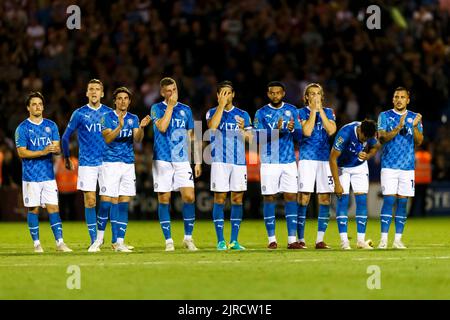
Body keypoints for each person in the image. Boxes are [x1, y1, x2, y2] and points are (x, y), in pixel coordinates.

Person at [89, 87, 151, 252]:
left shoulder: (134, 118)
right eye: (120, 98)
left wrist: (142, 127)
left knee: (124, 203)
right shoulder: (106, 117)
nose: (123, 101)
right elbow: (108, 139)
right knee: (106, 203)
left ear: (129, 101)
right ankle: (99, 240)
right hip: (110, 164)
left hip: (128, 164)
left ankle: (119, 242)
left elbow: (137, 139)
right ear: (115, 101)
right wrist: (119, 126)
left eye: (126, 98)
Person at [15, 92, 72, 253]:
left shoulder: (51, 126)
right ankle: (37, 244)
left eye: (40, 103)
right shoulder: (22, 128)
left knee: (54, 208)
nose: (37, 106)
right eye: (34, 104)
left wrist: (56, 150)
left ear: (43, 106)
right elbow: (22, 153)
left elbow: (56, 148)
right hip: (31, 177)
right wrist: (43, 151)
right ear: (28, 107)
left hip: (48, 176)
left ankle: (60, 243)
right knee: (33, 209)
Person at [150, 77, 202, 251]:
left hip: (182, 160)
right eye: (168, 90)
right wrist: (170, 107)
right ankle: (169, 241)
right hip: (162, 159)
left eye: (174, 89)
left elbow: (191, 136)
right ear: (162, 92)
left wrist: (197, 160)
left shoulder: (186, 110)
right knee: (164, 199)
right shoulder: (156, 109)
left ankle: (188, 238)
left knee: (189, 197)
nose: (172, 93)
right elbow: (163, 127)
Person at [61, 79, 112, 248]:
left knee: (106, 202)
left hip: (107, 162)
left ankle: (102, 235)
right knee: (90, 201)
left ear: (102, 93)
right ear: (87, 93)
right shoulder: (79, 114)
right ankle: (94, 240)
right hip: (87, 163)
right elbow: (65, 137)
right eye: (91, 89)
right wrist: (67, 158)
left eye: (97, 89)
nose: (94, 92)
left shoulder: (110, 113)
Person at [253, 81, 303, 249]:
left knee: (291, 197)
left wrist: (292, 129)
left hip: (289, 161)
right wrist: (278, 130)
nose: (275, 95)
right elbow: (256, 138)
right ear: (268, 94)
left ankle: (291, 240)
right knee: (269, 197)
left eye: (278, 93)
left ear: (283, 93)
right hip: (269, 161)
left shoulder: (292, 110)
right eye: (272, 93)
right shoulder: (261, 113)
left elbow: (299, 136)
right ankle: (271, 240)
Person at [206, 81, 252, 250]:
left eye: (228, 93)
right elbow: (212, 127)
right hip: (219, 161)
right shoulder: (212, 112)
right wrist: (221, 106)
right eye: (222, 93)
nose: (226, 96)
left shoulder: (243, 114)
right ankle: (220, 240)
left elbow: (252, 139)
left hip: (239, 163)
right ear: (218, 96)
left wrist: (243, 130)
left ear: (234, 95)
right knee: (219, 199)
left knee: (237, 199)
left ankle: (234, 241)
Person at [377, 87, 423, 249]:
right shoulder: (384, 116)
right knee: (389, 200)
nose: (399, 99)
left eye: (402, 97)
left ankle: (397, 240)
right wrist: (398, 127)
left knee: (403, 203)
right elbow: (382, 138)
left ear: (408, 100)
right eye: (396, 96)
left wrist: (415, 127)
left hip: (407, 167)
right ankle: (383, 239)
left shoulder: (415, 117)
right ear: (392, 99)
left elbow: (418, 142)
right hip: (389, 166)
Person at [329, 119, 380, 250]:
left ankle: (361, 241)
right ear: (360, 130)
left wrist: (368, 156)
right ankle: (344, 241)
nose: (365, 141)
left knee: (362, 201)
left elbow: (376, 146)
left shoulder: (369, 133)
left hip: (359, 166)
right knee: (342, 201)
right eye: (364, 138)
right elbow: (333, 158)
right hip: (342, 167)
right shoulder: (345, 134)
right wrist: (337, 183)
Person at [297, 83, 337, 249]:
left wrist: (320, 111)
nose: (315, 96)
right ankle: (300, 239)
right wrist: (313, 111)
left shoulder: (328, 112)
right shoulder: (300, 112)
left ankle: (320, 239)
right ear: (306, 97)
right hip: (307, 158)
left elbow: (331, 130)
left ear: (322, 96)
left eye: (318, 94)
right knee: (304, 197)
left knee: (325, 198)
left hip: (324, 159)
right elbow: (306, 131)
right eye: (311, 94)